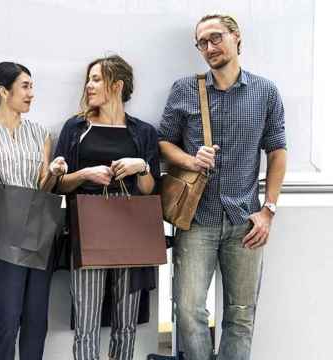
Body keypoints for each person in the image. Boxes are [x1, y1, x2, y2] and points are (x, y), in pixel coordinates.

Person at [158, 14, 287, 360]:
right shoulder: (185, 89)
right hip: (196, 218)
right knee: (187, 312)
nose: (210, 47)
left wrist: (268, 210)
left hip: (246, 221)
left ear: (236, 38)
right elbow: (163, 143)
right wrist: (190, 160)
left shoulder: (266, 92)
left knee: (241, 314)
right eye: (202, 42)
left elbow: (276, 152)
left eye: (216, 38)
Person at [53, 55, 161, 360]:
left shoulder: (143, 132)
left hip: (133, 229)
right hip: (88, 228)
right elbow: (59, 184)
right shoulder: (75, 128)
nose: (89, 85)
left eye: (96, 79)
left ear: (117, 85)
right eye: (88, 79)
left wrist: (141, 166)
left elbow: (151, 190)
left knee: (126, 322)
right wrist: (86, 173)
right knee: (86, 322)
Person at [0, 61, 65, 360]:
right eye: (25, 86)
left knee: (36, 317)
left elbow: (44, 187)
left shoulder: (40, 132)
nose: (31, 93)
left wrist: (56, 172)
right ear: (3, 91)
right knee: (6, 316)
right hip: (3, 231)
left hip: (38, 230)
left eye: (32, 86)